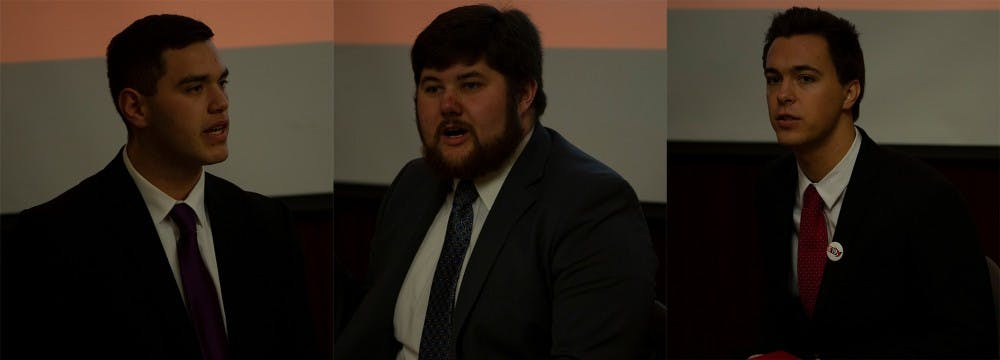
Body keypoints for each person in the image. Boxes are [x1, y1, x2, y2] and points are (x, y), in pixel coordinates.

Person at [335, 4, 657, 359]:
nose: (448, 105)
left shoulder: (590, 206)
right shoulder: (414, 184)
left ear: (523, 94)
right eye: (431, 88)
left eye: (470, 84)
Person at [1, 14, 316, 359]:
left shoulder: (267, 223)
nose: (220, 103)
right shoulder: (55, 238)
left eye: (221, 83)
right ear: (135, 107)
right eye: (195, 88)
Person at [754, 7, 997, 358]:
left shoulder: (923, 197)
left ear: (850, 93)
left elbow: (969, 341)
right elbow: (781, 322)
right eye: (773, 78)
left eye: (805, 78)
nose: (783, 95)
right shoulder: (772, 187)